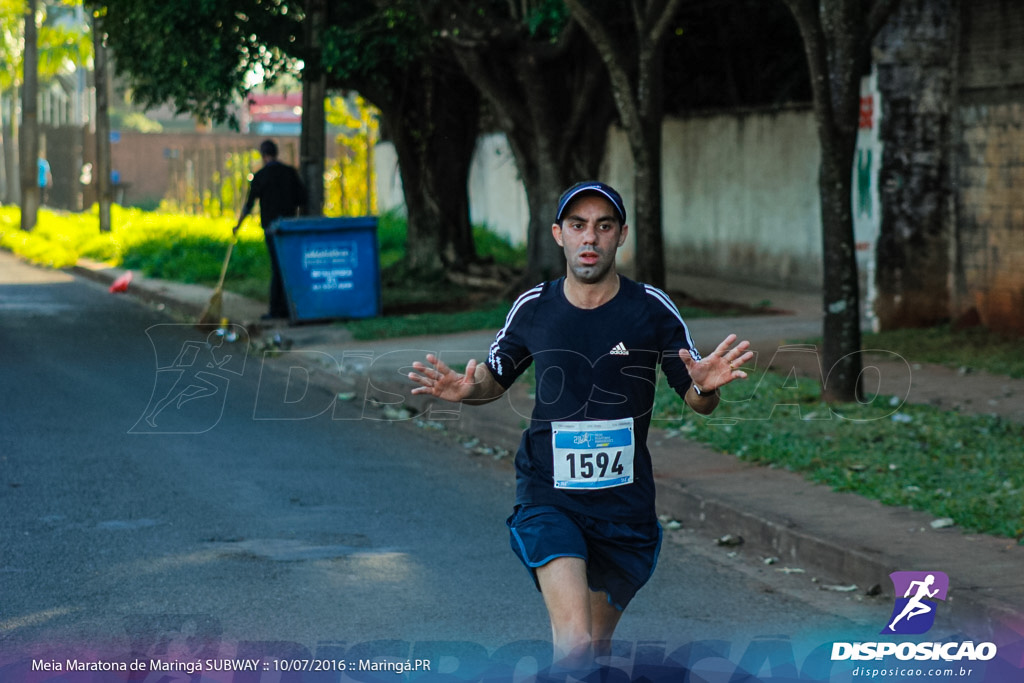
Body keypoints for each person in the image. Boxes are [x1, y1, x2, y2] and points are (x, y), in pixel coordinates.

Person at [409, 181, 754, 672]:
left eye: (603, 226)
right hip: (550, 497)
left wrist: (706, 386)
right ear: (558, 235)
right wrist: (468, 390)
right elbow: (494, 377)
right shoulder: (535, 308)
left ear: (621, 236)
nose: (589, 238)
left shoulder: (651, 309)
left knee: (592, 652)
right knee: (574, 645)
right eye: (578, 226)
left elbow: (698, 400)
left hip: (624, 509)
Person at [233, 139, 307, 320]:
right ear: (276, 153)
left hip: (271, 230)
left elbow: (249, 205)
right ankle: (292, 306)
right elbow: (302, 199)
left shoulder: (260, 177)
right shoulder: (290, 173)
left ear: (263, 155)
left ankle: (277, 310)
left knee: (277, 267)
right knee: (289, 266)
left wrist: (238, 225)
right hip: (290, 227)